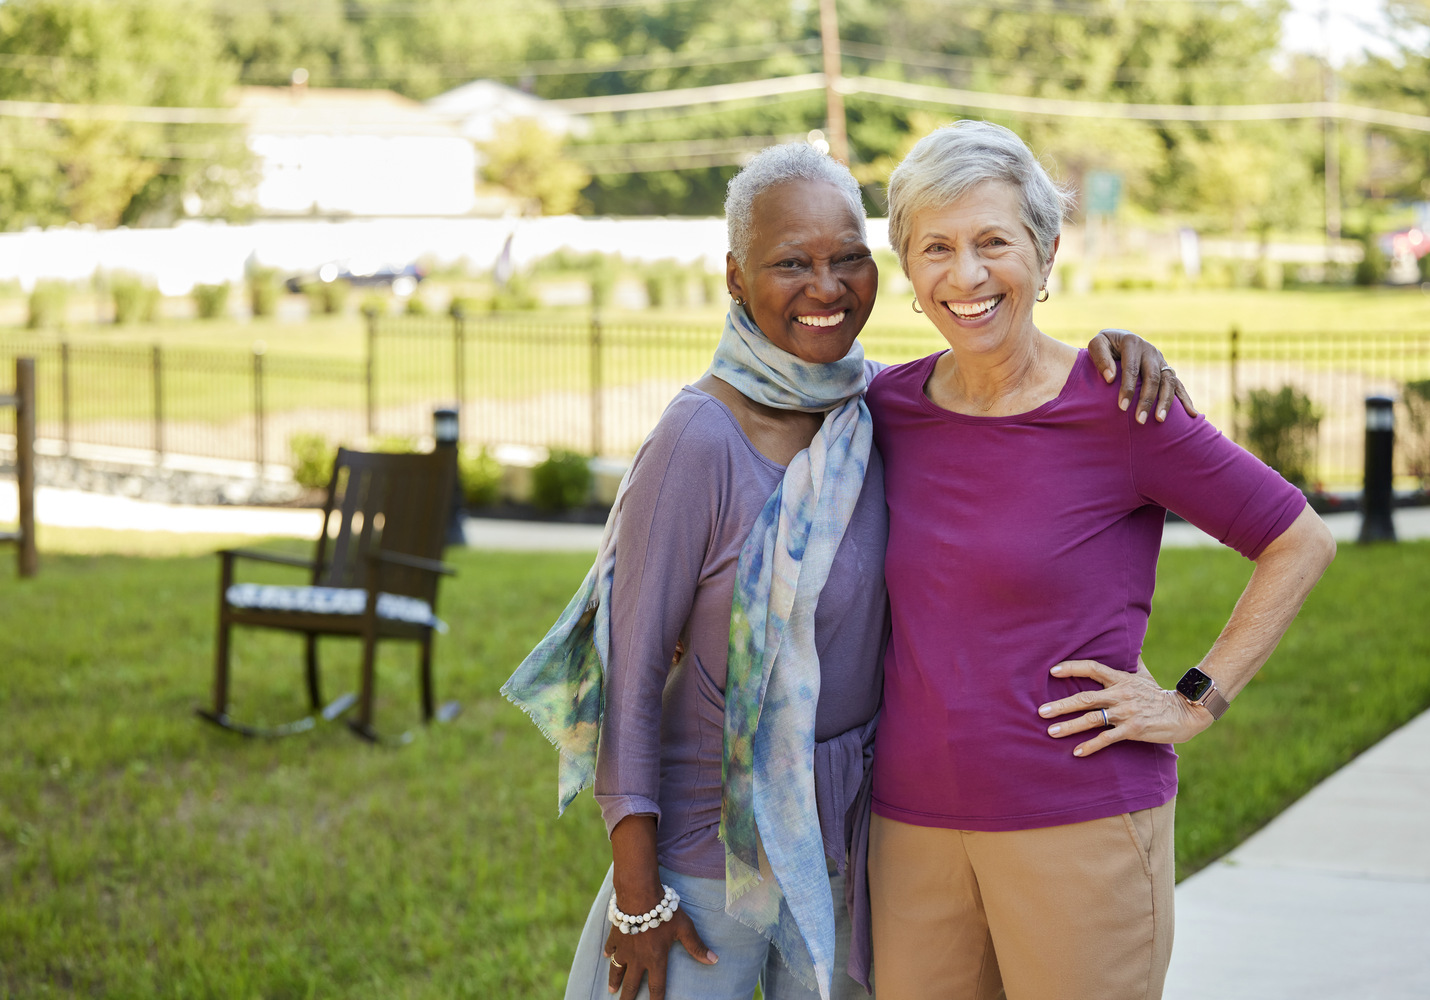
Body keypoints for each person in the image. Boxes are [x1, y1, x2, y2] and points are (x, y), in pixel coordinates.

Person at [503, 142, 1189, 1000]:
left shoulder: (876, 414)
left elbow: (1004, 388)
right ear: (734, 277)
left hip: (847, 844)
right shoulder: (699, 440)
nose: (825, 288)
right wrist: (638, 899)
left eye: (846, 260)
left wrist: (1112, 354)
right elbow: (630, 678)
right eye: (791, 263)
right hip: (703, 854)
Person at [863, 119, 1338, 1000]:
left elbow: (1298, 540)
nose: (965, 275)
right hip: (909, 829)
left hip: (1078, 820)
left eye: (993, 242)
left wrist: (1194, 700)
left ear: (1045, 256)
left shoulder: (1120, 406)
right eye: (936, 247)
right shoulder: (882, 409)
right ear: (907, 268)